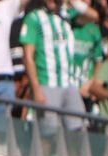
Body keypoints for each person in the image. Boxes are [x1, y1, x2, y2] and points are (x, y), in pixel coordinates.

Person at [20, 0, 85, 136]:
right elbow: (28, 56)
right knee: (48, 134)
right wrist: (36, 89)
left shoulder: (67, 16)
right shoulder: (34, 17)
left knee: (77, 131)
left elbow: (93, 16)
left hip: (69, 84)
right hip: (47, 83)